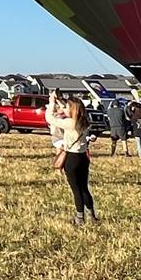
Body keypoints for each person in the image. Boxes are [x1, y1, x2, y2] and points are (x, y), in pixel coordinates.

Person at [51, 96, 97, 225]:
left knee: (75, 190)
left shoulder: (70, 123)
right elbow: (66, 111)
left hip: (72, 158)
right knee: (84, 188)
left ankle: (79, 218)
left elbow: (50, 119)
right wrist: (59, 101)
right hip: (83, 158)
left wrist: (50, 104)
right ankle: (92, 216)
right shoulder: (84, 121)